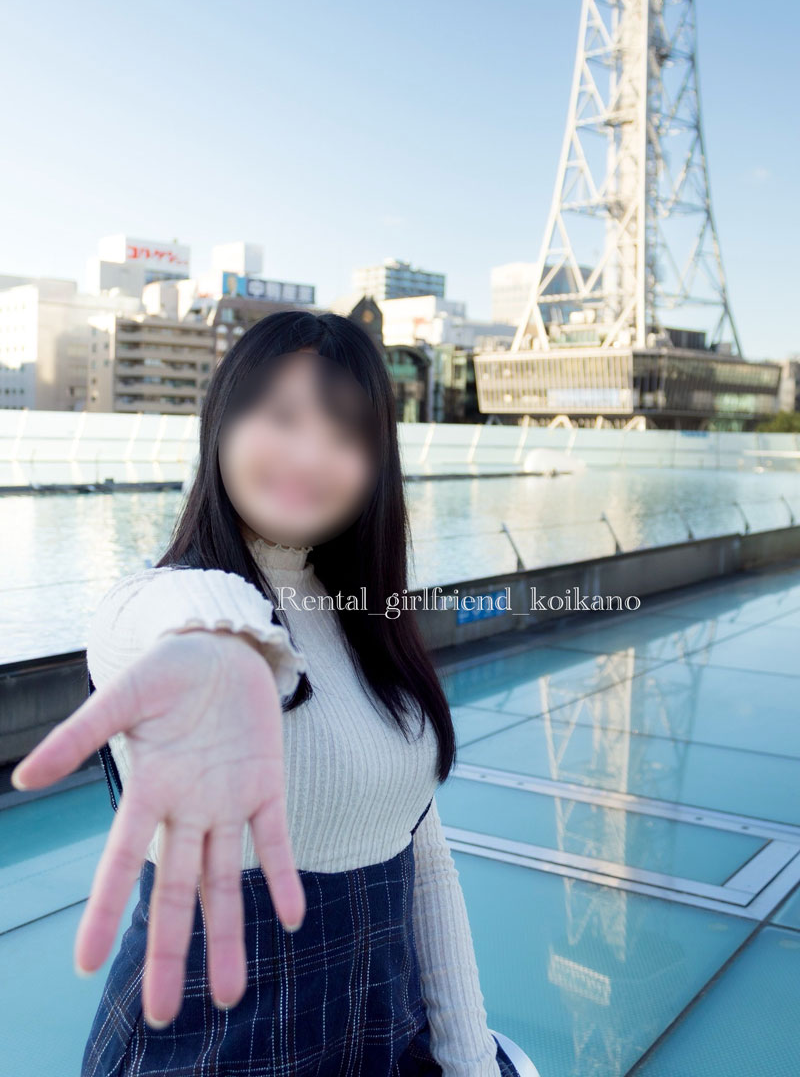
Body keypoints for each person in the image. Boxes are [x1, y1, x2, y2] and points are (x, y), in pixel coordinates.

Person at [11, 310, 520, 1076]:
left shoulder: (366, 620)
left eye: (345, 434)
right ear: (223, 424)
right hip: (209, 1049)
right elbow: (166, 616)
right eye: (282, 418)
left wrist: (470, 1059)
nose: (310, 455)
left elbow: (428, 862)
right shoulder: (150, 604)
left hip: (381, 1040)